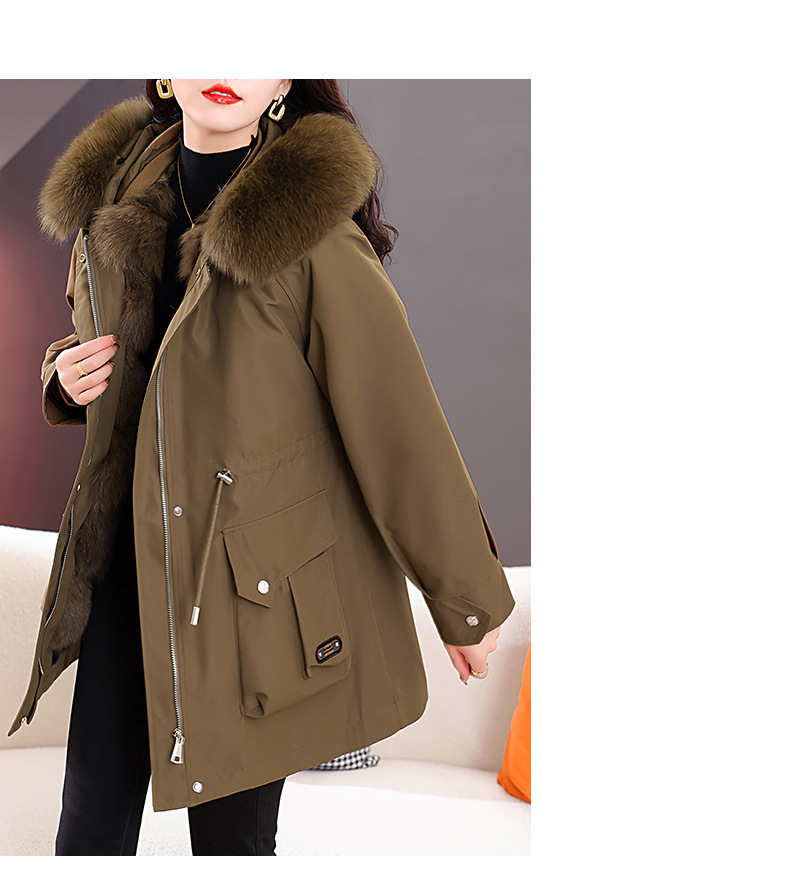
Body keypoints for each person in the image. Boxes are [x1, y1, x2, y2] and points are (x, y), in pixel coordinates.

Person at [9, 79, 516, 855]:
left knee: (233, 852)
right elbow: (122, 355)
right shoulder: (112, 204)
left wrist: (464, 598)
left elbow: (397, 421)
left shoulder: (310, 235)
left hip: (248, 600)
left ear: (283, 83)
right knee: (85, 841)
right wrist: (62, 376)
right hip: (124, 577)